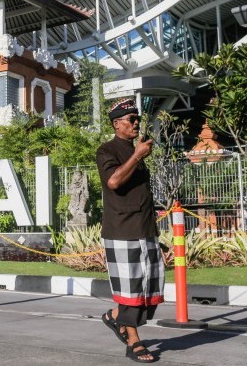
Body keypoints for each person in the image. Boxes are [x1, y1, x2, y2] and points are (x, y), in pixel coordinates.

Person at [96, 98, 164, 363]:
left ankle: (115, 317)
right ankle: (133, 342)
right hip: (122, 230)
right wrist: (137, 155)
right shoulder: (107, 150)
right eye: (130, 120)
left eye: (137, 119)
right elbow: (113, 181)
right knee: (131, 288)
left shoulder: (137, 152)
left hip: (145, 229)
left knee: (150, 288)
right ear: (116, 124)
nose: (136, 123)